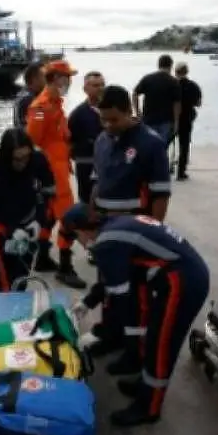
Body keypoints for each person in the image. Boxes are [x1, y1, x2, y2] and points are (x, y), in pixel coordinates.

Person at [62, 204, 210, 427]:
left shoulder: (106, 243)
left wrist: (132, 340)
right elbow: (114, 279)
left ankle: (149, 407)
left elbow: (123, 300)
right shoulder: (115, 225)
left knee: (161, 344)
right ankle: (146, 385)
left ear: (82, 230)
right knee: (154, 339)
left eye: (76, 238)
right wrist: (87, 303)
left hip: (182, 282)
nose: (80, 245)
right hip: (181, 274)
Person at [76, 84, 171, 364]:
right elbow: (98, 181)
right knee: (108, 285)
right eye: (103, 119)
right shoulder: (103, 140)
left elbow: (160, 193)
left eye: (114, 119)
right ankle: (110, 333)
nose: (108, 125)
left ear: (129, 112)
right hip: (106, 230)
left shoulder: (150, 143)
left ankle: (135, 351)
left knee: (136, 294)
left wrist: (152, 234)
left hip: (135, 232)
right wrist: (92, 217)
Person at [26, 60, 86, 288]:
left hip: (59, 168)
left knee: (50, 216)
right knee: (69, 217)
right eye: (66, 77)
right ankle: (65, 265)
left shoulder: (55, 104)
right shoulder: (40, 107)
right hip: (52, 173)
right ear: (55, 78)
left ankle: (41, 257)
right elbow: (32, 141)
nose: (69, 81)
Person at [0, 129, 54, 290]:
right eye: (17, 159)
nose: (22, 163)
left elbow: (47, 194)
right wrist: (10, 231)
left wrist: (39, 221)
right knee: (5, 282)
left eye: (26, 157)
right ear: (6, 156)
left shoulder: (38, 160)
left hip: (30, 224)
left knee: (22, 276)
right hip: (2, 231)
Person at [68, 71, 106, 202]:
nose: (100, 88)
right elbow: (69, 141)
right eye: (95, 85)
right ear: (85, 89)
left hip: (108, 164)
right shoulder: (77, 114)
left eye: (102, 84)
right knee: (86, 200)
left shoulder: (113, 111)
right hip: (86, 164)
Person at [132, 54, 181, 145]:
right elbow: (177, 104)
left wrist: (137, 112)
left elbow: (135, 94)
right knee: (162, 147)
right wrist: (176, 122)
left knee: (148, 146)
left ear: (158, 65)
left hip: (148, 119)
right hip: (166, 121)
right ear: (171, 65)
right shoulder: (173, 81)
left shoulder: (148, 78)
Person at [173, 62, 201, 180]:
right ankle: (181, 172)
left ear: (176, 72)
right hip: (187, 119)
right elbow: (198, 103)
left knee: (165, 145)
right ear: (187, 72)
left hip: (171, 119)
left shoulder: (171, 85)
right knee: (184, 146)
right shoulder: (193, 86)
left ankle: (163, 169)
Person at [13, 62, 44, 130]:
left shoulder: (23, 95)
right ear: (34, 79)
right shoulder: (31, 100)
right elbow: (38, 127)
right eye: (44, 76)